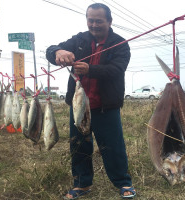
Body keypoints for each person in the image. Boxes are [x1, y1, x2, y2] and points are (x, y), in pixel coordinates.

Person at [46, 3, 136, 199]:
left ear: (109, 22)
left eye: (99, 21)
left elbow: (117, 69)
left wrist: (90, 70)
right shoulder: (79, 40)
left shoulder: (120, 43)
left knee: (113, 146)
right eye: (90, 20)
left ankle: (123, 182)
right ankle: (82, 183)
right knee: (78, 145)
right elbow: (51, 50)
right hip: (79, 106)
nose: (94, 24)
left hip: (106, 106)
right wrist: (57, 53)